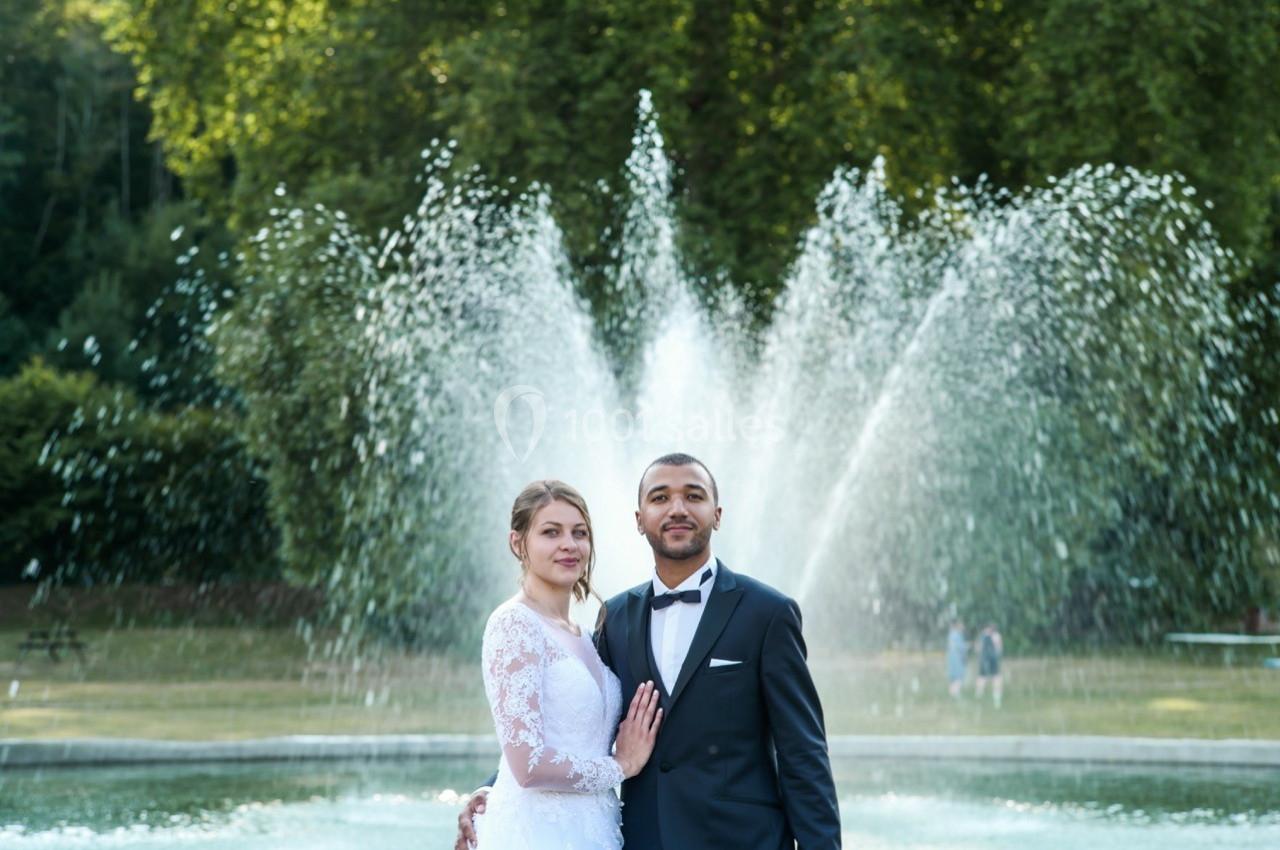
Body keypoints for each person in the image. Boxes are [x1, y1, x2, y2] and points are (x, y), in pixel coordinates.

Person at [457, 453, 841, 849]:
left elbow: (803, 754)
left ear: (718, 513)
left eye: (694, 496)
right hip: (643, 839)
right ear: (639, 519)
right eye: (660, 498)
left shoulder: (767, 613)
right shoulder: (616, 618)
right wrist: (493, 792)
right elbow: (576, 720)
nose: (677, 509)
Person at [469, 480, 663, 850]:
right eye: (550, 532)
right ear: (517, 543)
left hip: (597, 829)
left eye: (580, 533)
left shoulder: (586, 637)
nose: (569, 545)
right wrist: (619, 767)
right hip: (536, 833)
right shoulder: (513, 624)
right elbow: (527, 766)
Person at [974, 623, 1003, 708]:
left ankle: (978, 699)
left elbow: (977, 649)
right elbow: (999, 649)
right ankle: (997, 702)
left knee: (981, 678)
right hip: (993, 660)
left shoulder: (982, 636)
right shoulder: (997, 636)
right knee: (996, 679)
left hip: (983, 660)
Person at [946, 620, 967, 698]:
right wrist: (967, 647)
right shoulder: (957, 635)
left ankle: (952, 694)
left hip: (952, 658)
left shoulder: (951, 634)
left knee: (953, 677)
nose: (963, 627)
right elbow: (960, 648)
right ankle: (955, 694)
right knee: (959, 677)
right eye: (962, 625)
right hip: (957, 659)